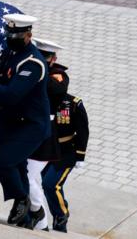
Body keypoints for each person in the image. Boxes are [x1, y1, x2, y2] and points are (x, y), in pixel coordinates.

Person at [0, 14, 51, 226]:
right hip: (10, 124)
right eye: (9, 33)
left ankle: (23, 201)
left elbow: (12, 94)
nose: (12, 37)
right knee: (18, 168)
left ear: (29, 35)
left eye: (17, 34)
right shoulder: (9, 55)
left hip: (30, 126)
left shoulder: (33, 63)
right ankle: (30, 217)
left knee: (1, 163)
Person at [19, 38, 66, 230]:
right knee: (33, 178)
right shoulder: (30, 68)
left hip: (45, 131)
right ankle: (39, 221)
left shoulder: (58, 75)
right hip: (27, 128)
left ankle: (38, 215)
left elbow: (55, 91)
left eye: (46, 59)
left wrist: (39, 73)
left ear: (53, 59)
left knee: (29, 176)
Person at [42, 93, 89, 233]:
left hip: (66, 152)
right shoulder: (42, 98)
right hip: (46, 150)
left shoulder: (73, 103)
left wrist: (80, 155)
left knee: (50, 184)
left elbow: (83, 130)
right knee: (47, 185)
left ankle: (61, 214)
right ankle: (53, 216)